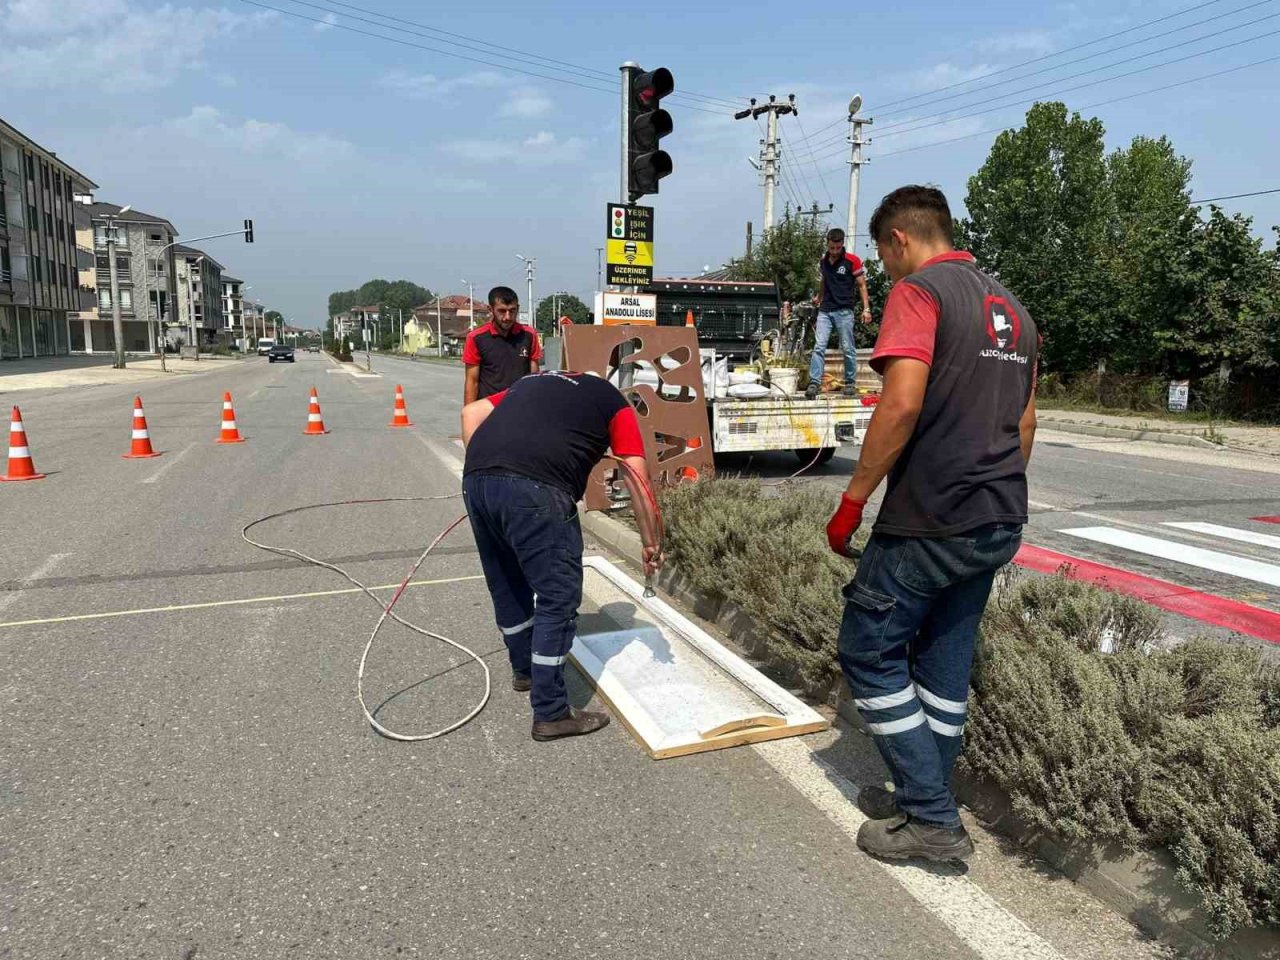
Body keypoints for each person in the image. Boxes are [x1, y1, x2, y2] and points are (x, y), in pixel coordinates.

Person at [824, 185, 1038, 862]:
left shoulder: (920, 293)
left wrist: (853, 500)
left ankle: (931, 818)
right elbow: (1026, 423)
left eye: (884, 257)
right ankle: (926, 788)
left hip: (930, 517)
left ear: (899, 241)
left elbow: (901, 403)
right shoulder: (1017, 312)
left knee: (868, 649)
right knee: (944, 661)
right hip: (996, 516)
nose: (886, 271)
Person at [460, 371, 663, 741]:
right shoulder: (615, 404)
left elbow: (471, 413)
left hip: (477, 482)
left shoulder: (530, 381)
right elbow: (636, 474)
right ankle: (552, 711)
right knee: (558, 595)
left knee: (506, 583)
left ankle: (524, 670)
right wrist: (650, 542)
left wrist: (487, 475)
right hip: (538, 489)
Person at [806, 228, 873, 399]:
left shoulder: (852, 261)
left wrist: (866, 309)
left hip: (844, 310)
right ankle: (815, 382)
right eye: (831, 248)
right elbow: (824, 281)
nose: (834, 252)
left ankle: (850, 382)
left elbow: (861, 285)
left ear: (842, 244)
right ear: (827, 244)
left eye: (837, 248)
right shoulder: (823, 262)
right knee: (819, 346)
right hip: (826, 310)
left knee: (848, 348)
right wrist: (819, 297)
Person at [463, 286, 542, 404]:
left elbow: (534, 377)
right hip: (489, 409)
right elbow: (472, 381)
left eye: (512, 310)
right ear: (490, 309)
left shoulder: (529, 335)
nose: (507, 317)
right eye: (502, 311)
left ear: (518, 308)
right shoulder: (476, 338)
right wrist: (469, 415)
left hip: (520, 406)